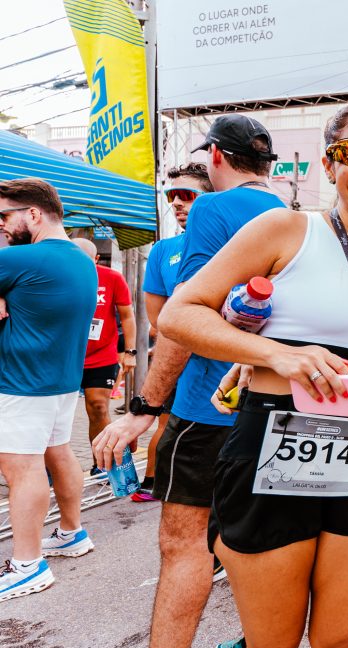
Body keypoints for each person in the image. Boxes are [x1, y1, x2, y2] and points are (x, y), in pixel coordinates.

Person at [159, 101, 348, 648]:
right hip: (273, 444)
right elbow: (179, 313)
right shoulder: (288, 229)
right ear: (329, 163)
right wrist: (272, 355)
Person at [92, 113, 282, 648]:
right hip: (269, 406)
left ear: (216, 159)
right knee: (260, 546)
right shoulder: (295, 219)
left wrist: (143, 409)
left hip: (206, 409)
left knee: (185, 550)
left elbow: (183, 319)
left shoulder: (211, 210)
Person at [0, 178, 98, 602]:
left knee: (21, 470)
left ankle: (27, 564)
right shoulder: (81, 259)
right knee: (57, 452)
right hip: (60, 380)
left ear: (34, 214)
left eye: (5, 217)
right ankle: (71, 532)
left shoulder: (24, 258)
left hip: (23, 380)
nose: (3, 227)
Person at [133, 163, 213, 502]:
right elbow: (158, 320)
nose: (177, 203)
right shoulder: (163, 250)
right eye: (172, 196)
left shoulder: (239, 241)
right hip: (178, 364)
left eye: (187, 195)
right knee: (167, 428)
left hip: (231, 371)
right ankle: (153, 483)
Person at [70, 238, 137, 475]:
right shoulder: (59, 277)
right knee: (57, 412)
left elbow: (127, 316)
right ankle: (49, 468)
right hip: (66, 356)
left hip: (101, 355)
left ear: (96, 260)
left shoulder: (112, 278)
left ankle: (104, 463)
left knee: (98, 407)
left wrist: (130, 352)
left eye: (85, 262)